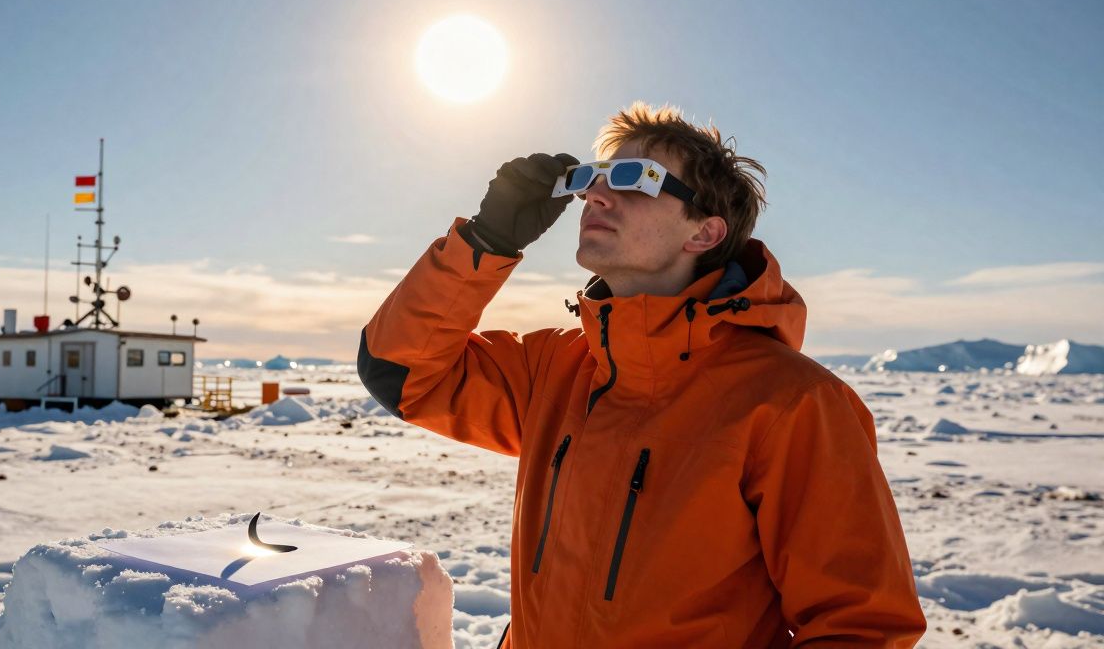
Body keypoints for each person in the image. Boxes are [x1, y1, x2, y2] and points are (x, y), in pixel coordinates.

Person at [358, 102, 926, 648]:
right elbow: (402, 372)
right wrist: (485, 241)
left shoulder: (792, 403)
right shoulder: (557, 368)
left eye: (635, 177)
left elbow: (861, 627)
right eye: (593, 177)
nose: (596, 194)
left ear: (703, 232)